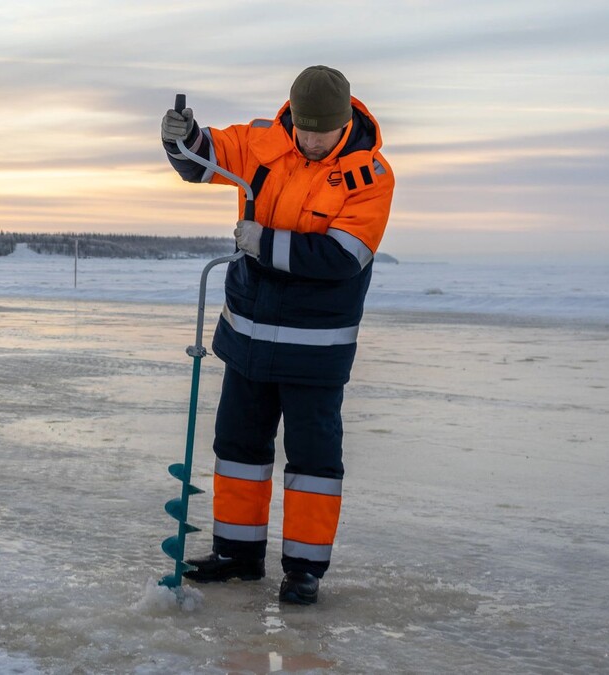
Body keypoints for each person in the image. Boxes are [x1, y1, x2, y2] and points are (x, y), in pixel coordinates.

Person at [160, 65, 394, 605]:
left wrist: (263, 242)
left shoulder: (370, 176)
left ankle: (304, 569)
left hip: (316, 348)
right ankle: (237, 556)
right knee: (238, 448)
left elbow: (342, 257)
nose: (310, 142)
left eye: (321, 133)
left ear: (344, 124)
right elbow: (203, 160)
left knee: (312, 461)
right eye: (304, 131)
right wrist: (182, 135)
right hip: (247, 336)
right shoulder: (266, 141)